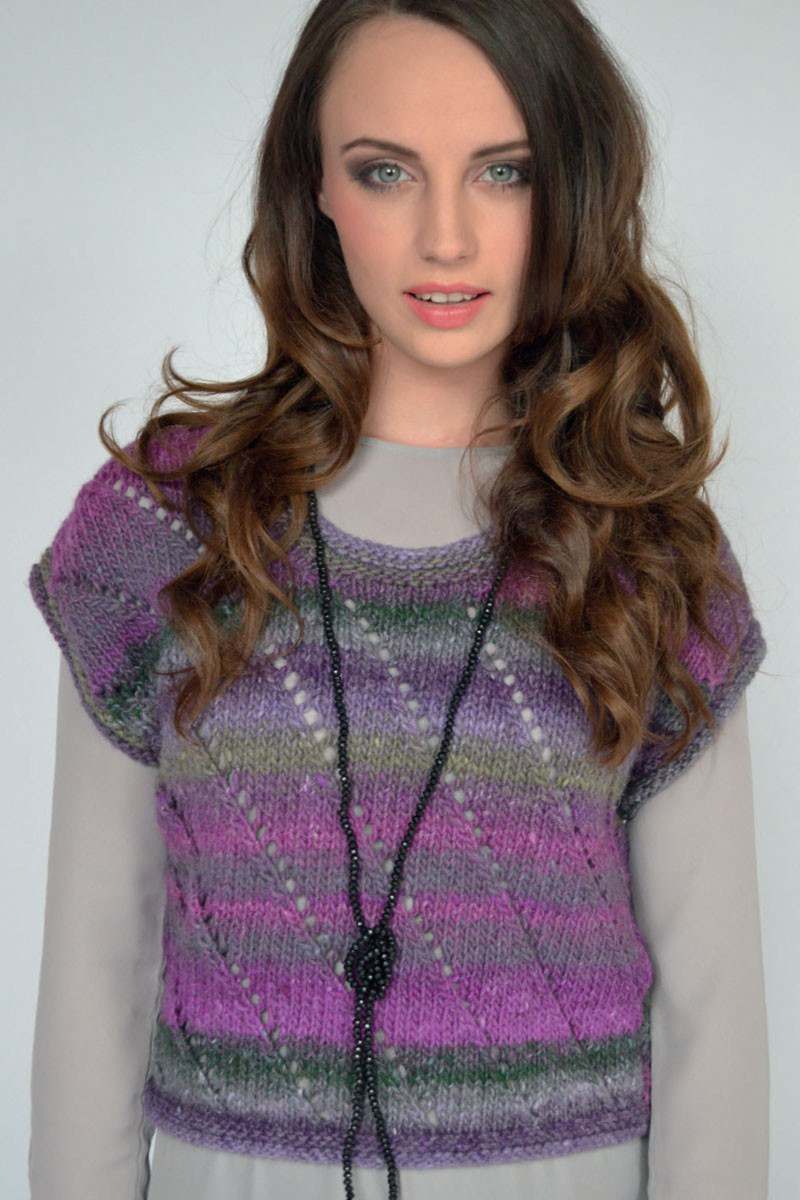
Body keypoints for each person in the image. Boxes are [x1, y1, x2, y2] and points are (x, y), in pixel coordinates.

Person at [26, 3, 770, 1199]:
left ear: (568, 186)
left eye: (503, 171)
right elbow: (94, 970)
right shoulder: (165, 529)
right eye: (386, 171)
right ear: (315, 186)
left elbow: (713, 1010)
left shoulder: (644, 549)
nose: (445, 236)